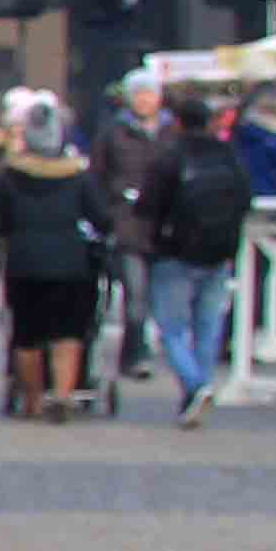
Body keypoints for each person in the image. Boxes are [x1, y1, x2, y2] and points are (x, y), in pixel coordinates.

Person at [0, 98, 112, 420]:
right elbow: (102, 219)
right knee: (68, 332)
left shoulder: (11, 177)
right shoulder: (78, 176)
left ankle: (33, 400)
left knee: (26, 335)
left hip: (24, 264)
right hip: (71, 264)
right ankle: (63, 395)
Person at [140, 88, 258, 422]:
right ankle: (200, 387)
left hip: (174, 251)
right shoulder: (228, 155)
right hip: (219, 250)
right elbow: (246, 198)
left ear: (177, 122)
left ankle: (194, 386)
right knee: (207, 326)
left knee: (172, 328)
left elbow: (149, 205)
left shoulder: (169, 156)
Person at [90, 73, 180, 404]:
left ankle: (157, 352)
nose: (144, 100)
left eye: (149, 94)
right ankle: (134, 356)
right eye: (138, 94)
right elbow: (96, 178)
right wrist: (107, 215)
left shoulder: (173, 133)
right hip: (127, 224)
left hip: (165, 226)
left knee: (163, 297)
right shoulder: (112, 133)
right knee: (135, 297)